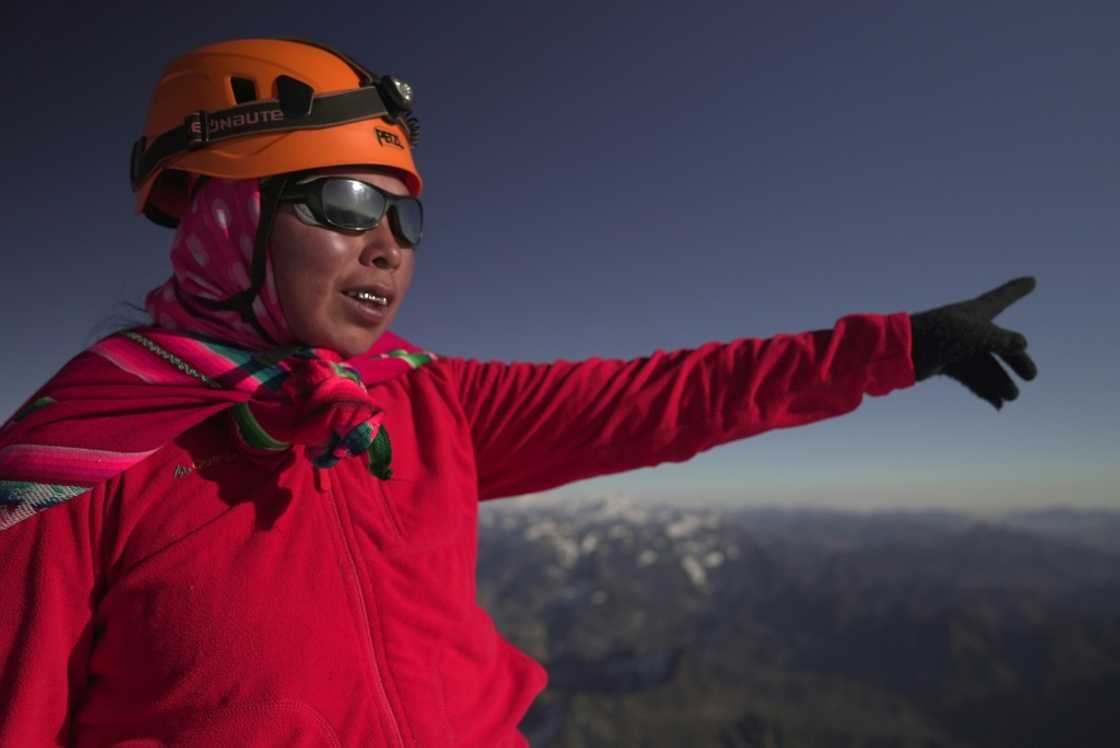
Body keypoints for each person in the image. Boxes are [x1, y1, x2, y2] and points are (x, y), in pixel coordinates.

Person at [0, 37, 1038, 747]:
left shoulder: (423, 401)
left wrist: (898, 347)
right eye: (348, 200)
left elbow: (663, 397)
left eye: (406, 218)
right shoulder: (73, 467)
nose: (387, 246)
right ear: (225, 217)